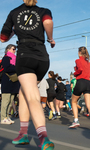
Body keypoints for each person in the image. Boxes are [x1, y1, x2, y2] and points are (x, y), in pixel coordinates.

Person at [1, 0, 55, 149]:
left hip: (25, 57)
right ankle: (23, 133)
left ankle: (43, 138)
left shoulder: (14, 12)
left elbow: (3, 38)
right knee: (23, 91)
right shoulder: (44, 10)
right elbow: (48, 23)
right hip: (43, 58)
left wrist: (15, 29)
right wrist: (50, 39)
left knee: (32, 96)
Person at [69, 46, 90, 133]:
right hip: (88, 83)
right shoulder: (88, 63)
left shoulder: (78, 60)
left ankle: (76, 120)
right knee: (89, 105)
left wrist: (75, 73)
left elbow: (80, 70)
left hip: (80, 82)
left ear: (79, 53)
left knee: (73, 102)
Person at [1, 44, 20, 125]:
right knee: (5, 101)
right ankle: (2, 118)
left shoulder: (16, 59)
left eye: (15, 49)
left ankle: (7, 117)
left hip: (14, 82)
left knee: (10, 101)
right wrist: (17, 68)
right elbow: (6, 68)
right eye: (13, 49)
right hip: (7, 81)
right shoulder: (6, 58)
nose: (14, 50)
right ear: (8, 49)